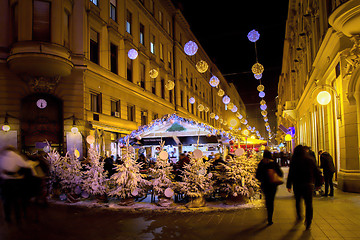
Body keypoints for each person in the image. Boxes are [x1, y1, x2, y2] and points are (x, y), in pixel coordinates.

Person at [287, 145, 322, 230]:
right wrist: (318, 184)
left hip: (297, 185)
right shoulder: (310, 160)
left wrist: (289, 185)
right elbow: (317, 172)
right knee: (309, 204)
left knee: (298, 201)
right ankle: (308, 221)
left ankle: (299, 216)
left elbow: (291, 173)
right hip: (308, 185)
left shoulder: (294, 161)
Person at [0, 146, 33, 224]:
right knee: (16, 200)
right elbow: (25, 165)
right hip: (15, 181)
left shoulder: (1, 157)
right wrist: (32, 163)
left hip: (5, 181)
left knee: (6, 200)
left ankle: (7, 217)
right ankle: (18, 217)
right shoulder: (17, 156)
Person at [256, 150, 283, 225]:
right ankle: (270, 217)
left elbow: (257, 175)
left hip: (265, 185)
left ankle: (268, 211)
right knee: (271, 200)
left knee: (267, 199)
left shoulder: (261, 163)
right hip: (273, 185)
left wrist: (263, 179)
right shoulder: (274, 163)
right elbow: (280, 173)